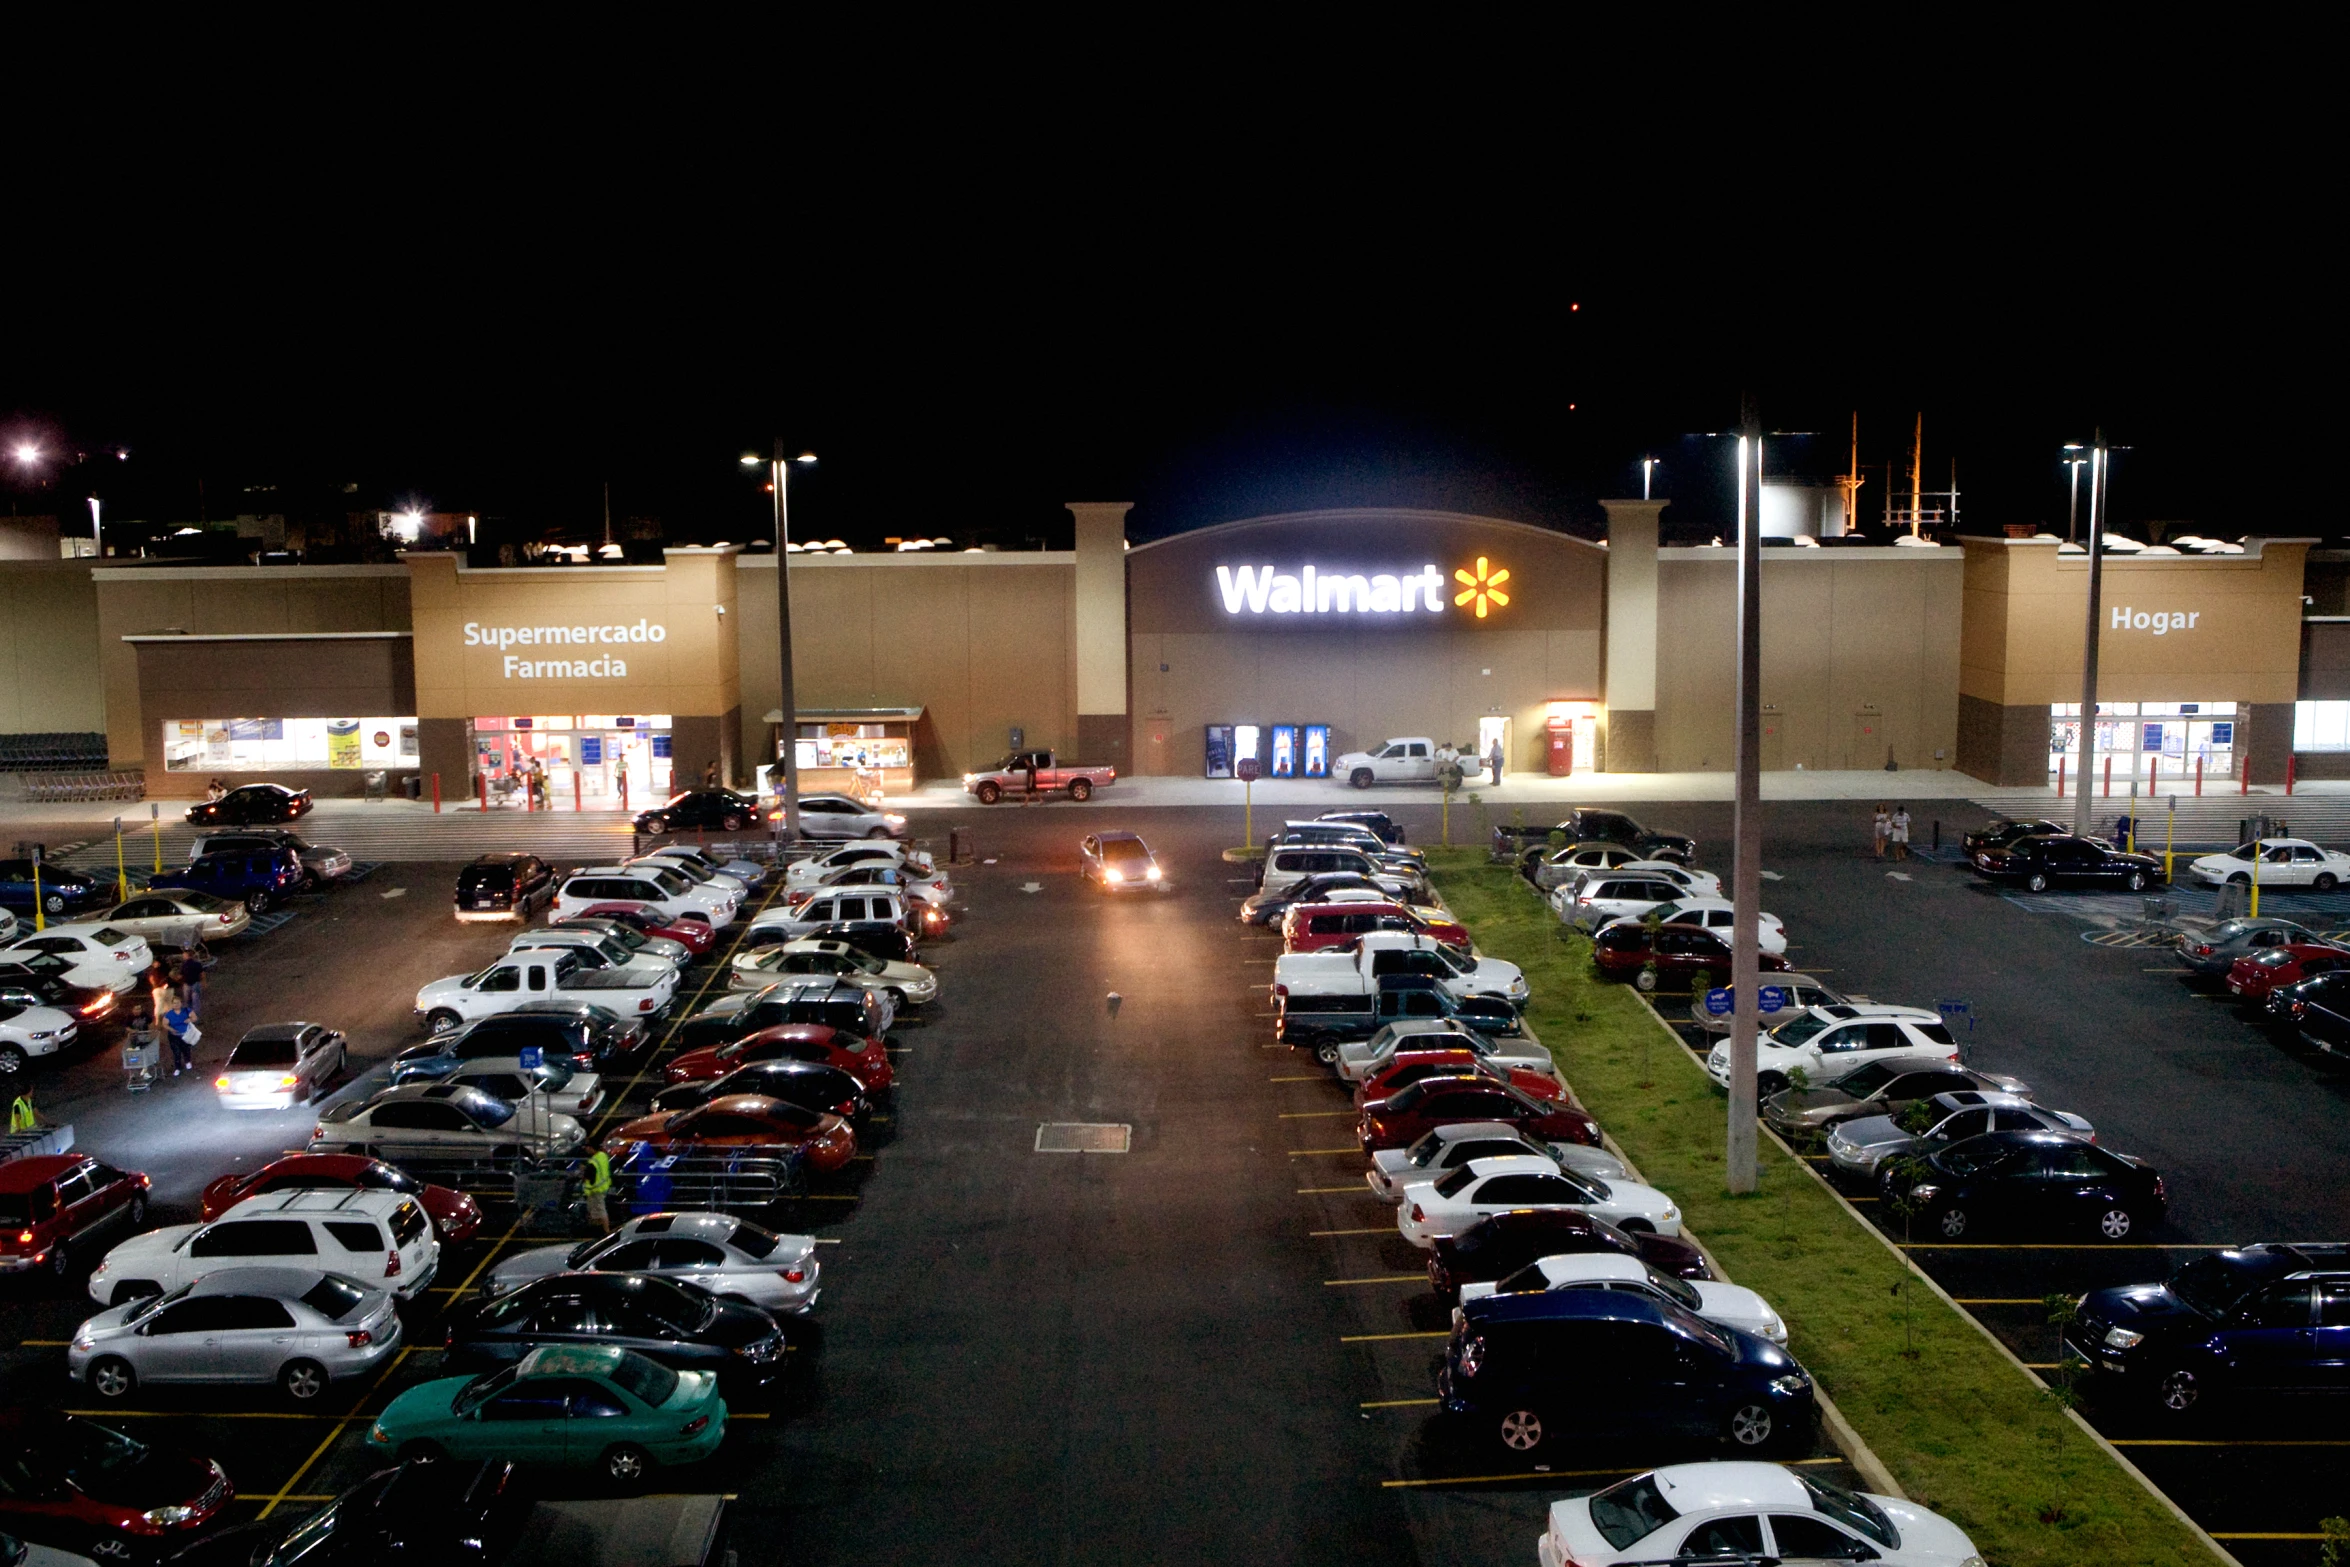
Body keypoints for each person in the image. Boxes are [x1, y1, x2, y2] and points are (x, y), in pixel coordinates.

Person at [160, 985, 193, 1076]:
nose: (176, 1004)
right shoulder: (169, 1014)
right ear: (172, 1004)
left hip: (185, 1034)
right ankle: (177, 1067)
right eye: (174, 1003)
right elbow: (164, 1024)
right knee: (176, 1052)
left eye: (178, 1003)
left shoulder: (186, 1011)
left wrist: (189, 1020)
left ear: (181, 1003)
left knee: (186, 1049)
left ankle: (187, 1061)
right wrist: (171, 1029)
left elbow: (194, 1017)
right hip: (174, 1036)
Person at [581, 1145, 615, 1232]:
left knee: (599, 1210)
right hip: (603, 1187)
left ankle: (606, 1231)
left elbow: (589, 1177)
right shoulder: (603, 1156)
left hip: (594, 1189)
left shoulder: (593, 1161)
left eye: (588, 1147)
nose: (587, 1149)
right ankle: (601, 1229)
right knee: (597, 1211)